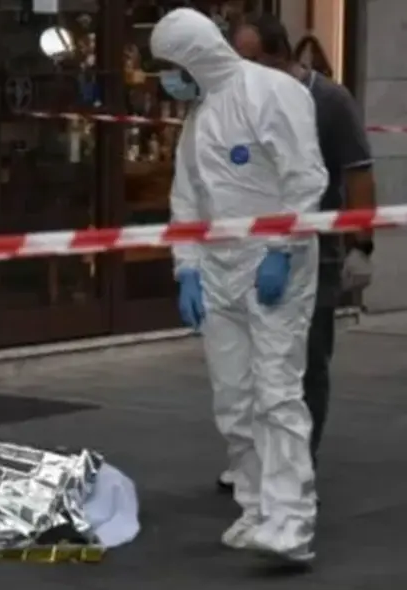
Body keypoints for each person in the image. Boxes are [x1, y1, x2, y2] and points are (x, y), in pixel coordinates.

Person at [151, 8, 327, 562]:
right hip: (220, 272)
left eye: (171, 65)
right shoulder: (199, 120)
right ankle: (255, 506)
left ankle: (291, 521)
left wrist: (281, 250)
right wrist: (187, 269)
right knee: (234, 396)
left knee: (276, 393)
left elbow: (304, 177)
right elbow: (186, 201)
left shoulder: (272, 92)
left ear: (194, 56)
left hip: (276, 266)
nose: (168, 78)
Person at [215, 13, 377, 494]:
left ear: (276, 56)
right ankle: (254, 458)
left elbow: (359, 173)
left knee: (304, 363)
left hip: (315, 253)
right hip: (249, 254)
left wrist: (361, 246)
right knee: (248, 367)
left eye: (247, 60)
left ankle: (297, 464)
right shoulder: (241, 102)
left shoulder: (328, 101)